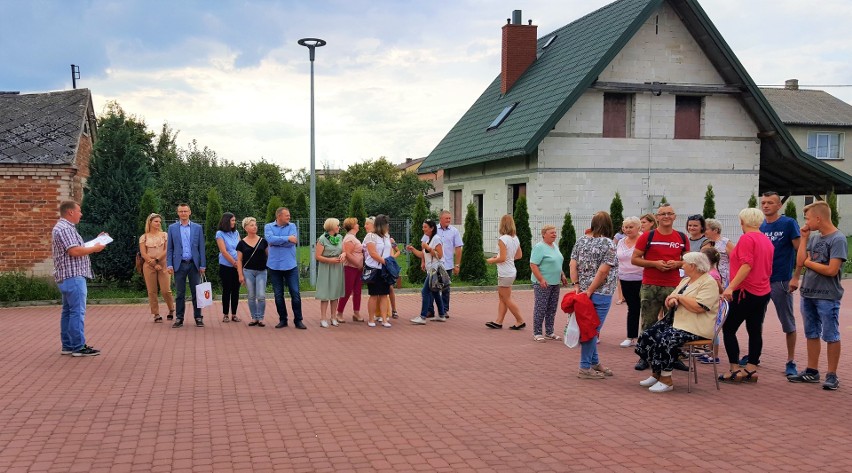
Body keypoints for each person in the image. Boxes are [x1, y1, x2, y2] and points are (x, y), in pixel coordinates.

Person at [635, 252, 720, 392]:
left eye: (684, 263)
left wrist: (679, 298)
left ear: (693, 266)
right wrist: (672, 299)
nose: (682, 265)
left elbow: (699, 307)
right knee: (648, 335)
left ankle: (666, 379)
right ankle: (656, 373)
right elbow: (671, 297)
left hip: (695, 327)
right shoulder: (685, 280)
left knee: (666, 339)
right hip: (677, 322)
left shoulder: (708, 282)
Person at [788, 201, 846, 390]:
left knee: (831, 335)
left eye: (807, 218)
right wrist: (804, 239)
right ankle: (812, 371)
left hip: (828, 296)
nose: (805, 222)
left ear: (818, 219)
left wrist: (809, 263)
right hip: (808, 293)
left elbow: (831, 269)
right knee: (811, 333)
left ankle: (832, 375)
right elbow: (799, 261)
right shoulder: (813, 238)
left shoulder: (837, 239)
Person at [719, 208, 774, 384]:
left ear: (742, 222)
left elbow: (746, 265)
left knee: (729, 329)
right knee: (755, 330)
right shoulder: (766, 240)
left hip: (745, 291)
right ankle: (751, 368)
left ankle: (734, 369)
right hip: (763, 290)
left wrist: (730, 287)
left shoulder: (746, 238)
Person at [631, 204, 688, 370]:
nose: (666, 217)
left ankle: (673, 356)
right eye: (662, 214)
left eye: (670, 213)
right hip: (651, 285)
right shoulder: (647, 236)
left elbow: (688, 261)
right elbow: (635, 259)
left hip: (673, 287)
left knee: (675, 323)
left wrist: (678, 263)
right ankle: (645, 357)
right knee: (648, 322)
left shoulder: (681, 238)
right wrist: (654, 264)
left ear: (675, 216)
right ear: (657, 217)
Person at [53, 201, 106, 356]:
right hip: (73, 276)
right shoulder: (65, 229)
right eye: (79, 211)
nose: (81, 214)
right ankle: (78, 347)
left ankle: (68, 345)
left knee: (68, 311)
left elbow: (77, 247)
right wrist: (96, 248)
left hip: (66, 276)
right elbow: (74, 251)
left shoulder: (63, 228)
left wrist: (96, 241)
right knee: (77, 312)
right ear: (70, 212)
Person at [570, 211, 618, 378]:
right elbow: (603, 271)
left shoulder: (581, 240)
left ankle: (594, 363)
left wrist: (577, 285)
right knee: (592, 330)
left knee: (589, 328)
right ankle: (584, 368)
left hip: (583, 292)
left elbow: (572, 264)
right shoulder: (609, 244)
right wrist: (591, 290)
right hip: (601, 293)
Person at [759, 191, 801, 377]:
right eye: (764, 202)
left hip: (781, 280)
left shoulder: (788, 223)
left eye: (770, 203)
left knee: (787, 321)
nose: (766, 206)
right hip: (760, 281)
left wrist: (796, 276)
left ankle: (791, 361)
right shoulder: (759, 226)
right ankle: (754, 354)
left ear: (779, 206)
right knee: (756, 319)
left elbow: (800, 251)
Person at [167, 203, 206, 328]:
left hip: (194, 264)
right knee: (179, 293)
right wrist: (169, 264)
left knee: (197, 293)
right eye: (181, 211)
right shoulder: (172, 228)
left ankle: (198, 317)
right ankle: (179, 318)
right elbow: (170, 248)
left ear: (190, 212)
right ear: (178, 213)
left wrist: (202, 265)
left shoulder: (197, 228)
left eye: (185, 211)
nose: (183, 213)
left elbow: (201, 248)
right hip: (179, 264)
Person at [265, 207, 306, 330]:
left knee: (295, 293)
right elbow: (270, 239)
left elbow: (293, 242)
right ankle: (283, 319)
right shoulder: (268, 226)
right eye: (287, 215)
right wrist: (287, 238)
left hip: (290, 265)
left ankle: (298, 320)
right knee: (278, 295)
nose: (289, 217)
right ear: (279, 216)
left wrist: (278, 241)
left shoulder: (292, 226)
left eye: (289, 215)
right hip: (274, 266)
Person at [485, 215, 524, 329]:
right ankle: (499, 321)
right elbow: (519, 255)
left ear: (502, 225)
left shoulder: (502, 239)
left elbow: (502, 258)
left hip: (505, 273)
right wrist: (506, 258)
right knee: (503, 297)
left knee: (506, 298)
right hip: (511, 271)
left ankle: (520, 320)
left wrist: (491, 260)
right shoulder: (515, 238)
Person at [530, 225, 569, 338]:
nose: (554, 234)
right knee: (541, 307)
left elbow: (557, 262)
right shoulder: (539, 247)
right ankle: (537, 333)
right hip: (542, 283)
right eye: (551, 232)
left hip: (555, 282)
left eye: (555, 232)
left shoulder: (554, 246)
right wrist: (541, 279)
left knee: (552, 308)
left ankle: (549, 331)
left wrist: (562, 274)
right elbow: (533, 264)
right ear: (544, 234)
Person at [408, 219, 447, 324]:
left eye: (425, 227)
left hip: (435, 269)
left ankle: (423, 317)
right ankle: (442, 315)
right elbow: (422, 255)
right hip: (431, 269)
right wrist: (413, 250)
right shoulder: (428, 239)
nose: (423, 229)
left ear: (432, 228)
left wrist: (428, 248)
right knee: (434, 292)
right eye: (423, 226)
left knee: (425, 292)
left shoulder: (436, 239)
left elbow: (440, 255)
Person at [139, 213, 174, 323]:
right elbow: (143, 253)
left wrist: (158, 260)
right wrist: (153, 263)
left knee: (165, 290)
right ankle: (156, 314)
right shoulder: (144, 237)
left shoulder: (164, 235)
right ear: (150, 222)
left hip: (163, 263)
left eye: (159, 221)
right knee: (152, 291)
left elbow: (167, 249)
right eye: (156, 221)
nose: (158, 223)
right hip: (149, 265)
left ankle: (171, 309)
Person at [236, 217, 268, 327]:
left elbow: (268, 256)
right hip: (248, 271)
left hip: (262, 271)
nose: (255, 227)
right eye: (251, 225)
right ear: (245, 228)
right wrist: (240, 275)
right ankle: (254, 317)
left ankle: (261, 318)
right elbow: (239, 260)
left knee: (261, 295)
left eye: (255, 225)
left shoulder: (263, 241)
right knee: (251, 295)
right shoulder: (241, 243)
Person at [430, 210, 463, 318]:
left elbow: (458, 248)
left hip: (447, 264)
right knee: (431, 287)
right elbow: (426, 246)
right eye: (446, 218)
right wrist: (423, 261)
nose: (448, 220)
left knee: (445, 288)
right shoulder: (434, 230)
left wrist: (457, 264)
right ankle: (430, 310)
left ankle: (444, 310)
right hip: (434, 264)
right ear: (440, 219)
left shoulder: (454, 231)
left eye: (449, 218)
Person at [616, 217, 643, 347]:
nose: (627, 229)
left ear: (639, 227)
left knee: (646, 308)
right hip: (625, 278)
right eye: (625, 227)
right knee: (632, 308)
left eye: (631, 227)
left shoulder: (644, 240)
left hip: (642, 278)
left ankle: (645, 337)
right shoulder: (621, 241)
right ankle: (631, 336)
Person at [316, 218, 346, 328]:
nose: (339, 227)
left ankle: (333, 317)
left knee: (335, 293)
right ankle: (323, 318)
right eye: (337, 225)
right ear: (332, 227)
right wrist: (330, 260)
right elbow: (318, 256)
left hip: (337, 267)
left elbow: (343, 250)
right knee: (325, 293)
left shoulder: (339, 237)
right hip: (326, 267)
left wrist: (344, 255)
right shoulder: (322, 239)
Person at [336, 217, 364, 322]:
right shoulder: (349, 239)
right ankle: (339, 313)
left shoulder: (353, 238)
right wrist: (358, 263)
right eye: (356, 224)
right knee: (347, 291)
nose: (358, 225)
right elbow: (347, 253)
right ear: (352, 226)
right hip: (350, 268)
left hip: (357, 269)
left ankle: (356, 312)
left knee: (357, 291)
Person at [216, 212, 241, 323]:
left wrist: (239, 262)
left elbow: (240, 248)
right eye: (232, 220)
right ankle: (225, 314)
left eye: (235, 220)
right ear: (226, 221)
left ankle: (234, 314)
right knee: (227, 290)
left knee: (236, 290)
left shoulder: (236, 233)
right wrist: (234, 263)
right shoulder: (220, 234)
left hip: (237, 265)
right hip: (226, 265)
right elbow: (224, 251)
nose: (234, 222)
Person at [704, 218, 734, 287]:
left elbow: (734, 258)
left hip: (723, 278)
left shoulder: (725, 242)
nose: (704, 231)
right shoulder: (706, 242)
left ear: (715, 230)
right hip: (709, 276)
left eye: (706, 229)